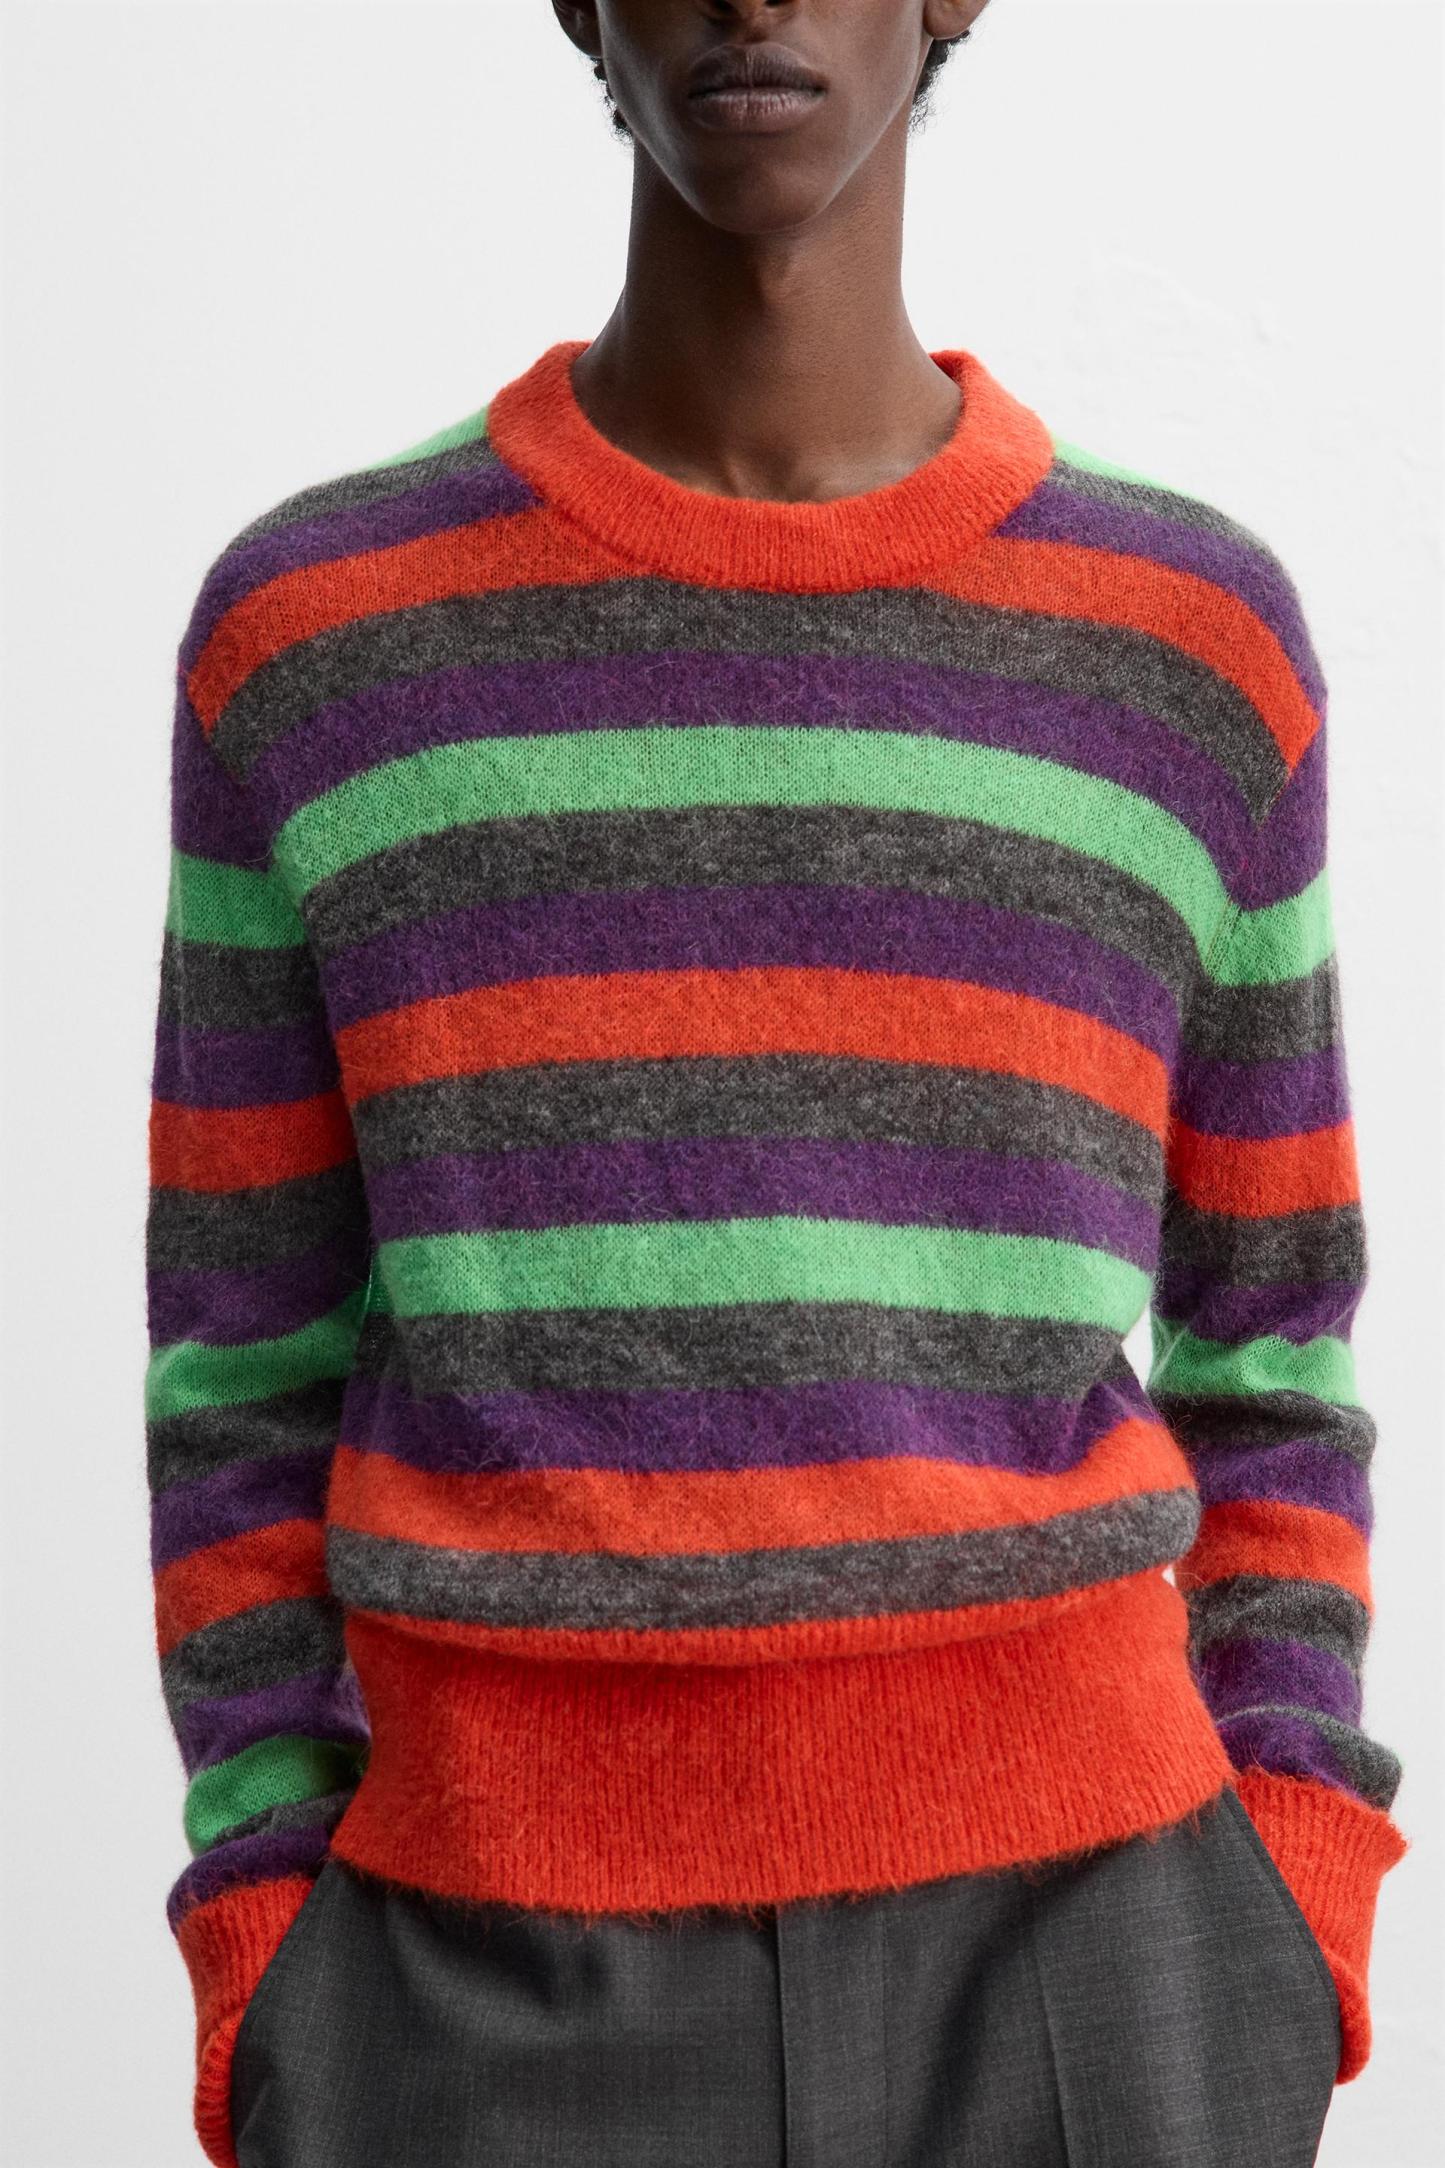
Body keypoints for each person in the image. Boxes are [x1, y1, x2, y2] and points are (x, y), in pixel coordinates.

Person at [144, 4, 1409, 2163]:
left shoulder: (1188, 642)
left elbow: (1273, 1327)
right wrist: (272, 1927)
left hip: (1100, 1950)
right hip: (472, 1982)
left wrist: (1291, 1877)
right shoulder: (319, 635)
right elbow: (240, 1357)